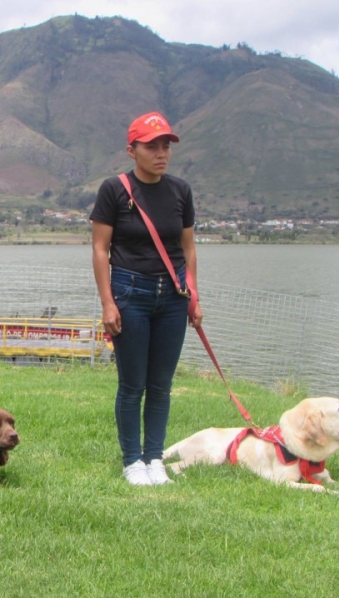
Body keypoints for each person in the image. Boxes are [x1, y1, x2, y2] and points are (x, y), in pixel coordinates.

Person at [90, 111, 203, 486]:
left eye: (165, 146)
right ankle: (132, 461)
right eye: (151, 146)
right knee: (132, 384)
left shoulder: (180, 191)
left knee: (160, 385)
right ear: (131, 150)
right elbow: (100, 249)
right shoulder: (114, 190)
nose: (161, 153)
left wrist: (193, 296)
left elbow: (188, 248)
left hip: (173, 295)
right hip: (130, 292)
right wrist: (108, 302)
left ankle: (154, 458)